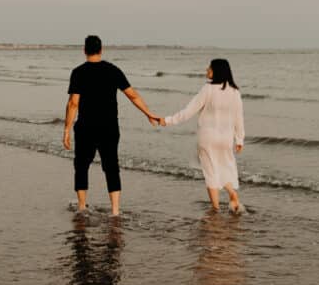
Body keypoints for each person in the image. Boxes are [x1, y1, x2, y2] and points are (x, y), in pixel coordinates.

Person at [63, 35, 160, 216]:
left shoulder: (78, 72)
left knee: (81, 166)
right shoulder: (113, 70)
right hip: (109, 128)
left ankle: (82, 207)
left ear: (84, 50)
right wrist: (148, 113)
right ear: (101, 50)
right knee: (111, 166)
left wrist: (66, 130)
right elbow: (133, 95)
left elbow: (73, 103)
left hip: (86, 128)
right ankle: (115, 211)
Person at [160, 59, 245, 213]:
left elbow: (188, 111)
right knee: (223, 167)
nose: (207, 70)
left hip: (207, 137)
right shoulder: (235, 92)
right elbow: (239, 118)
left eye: (210, 68)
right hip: (226, 138)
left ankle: (216, 209)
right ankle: (232, 194)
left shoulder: (208, 89)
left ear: (216, 71)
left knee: (211, 172)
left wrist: (167, 120)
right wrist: (239, 139)